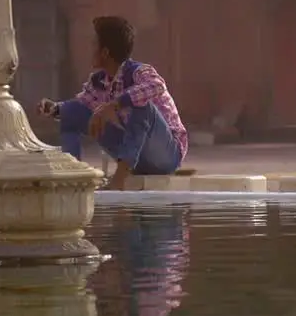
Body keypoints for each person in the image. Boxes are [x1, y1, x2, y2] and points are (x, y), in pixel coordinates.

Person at [36, 16, 188, 190]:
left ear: (105, 52)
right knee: (70, 113)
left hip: (166, 155)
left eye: (94, 44)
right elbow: (81, 104)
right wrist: (54, 108)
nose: (90, 49)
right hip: (135, 156)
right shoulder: (100, 82)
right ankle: (72, 180)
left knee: (143, 107)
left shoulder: (139, 72)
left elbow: (157, 86)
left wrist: (115, 104)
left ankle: (119, 179)